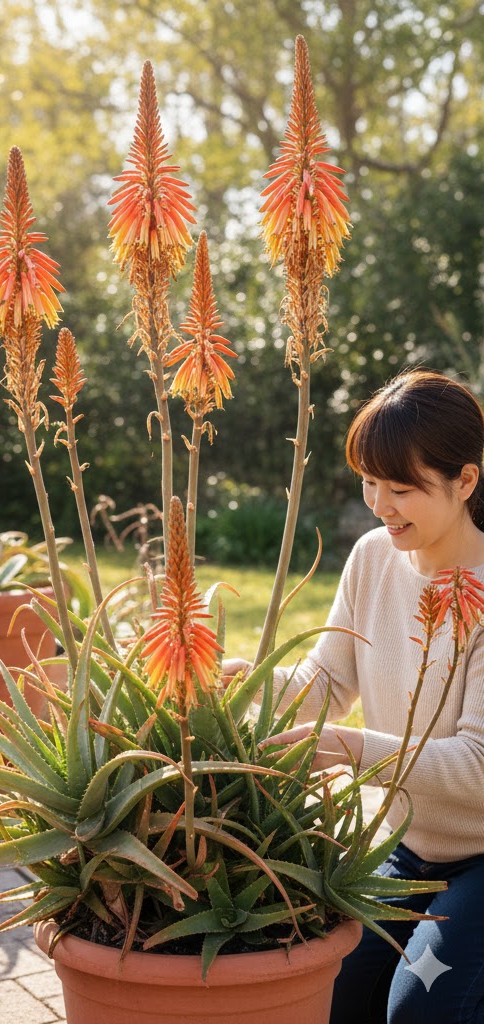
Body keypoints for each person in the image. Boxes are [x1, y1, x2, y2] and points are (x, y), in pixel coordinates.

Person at [225, 369, 484, 1023]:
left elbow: (478, 769)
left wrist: (355, 750)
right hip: (405, 849)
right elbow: (328, 686)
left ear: (466, 481)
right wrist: (249, 681)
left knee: (419, 1014)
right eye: (371, 482)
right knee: (327, 997)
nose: (380, 504)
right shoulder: (373, 558)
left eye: (403, 488)